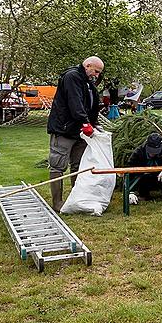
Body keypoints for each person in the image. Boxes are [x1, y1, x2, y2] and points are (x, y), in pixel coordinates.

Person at [47, 57, 103, 212]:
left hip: (80, 131)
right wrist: (85, 122)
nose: (97, 75)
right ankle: (57, 202)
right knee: (58, 164)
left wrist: (93, 123)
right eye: (96, 71)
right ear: (87, 65)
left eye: (99, 72)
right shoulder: (72, 77)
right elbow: (75, 102)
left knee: (78, 165)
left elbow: (91, 104)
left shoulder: (88, 81)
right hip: (64, 129)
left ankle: (76, 197)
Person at [127, 133, 162, 203]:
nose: (153, 153)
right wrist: (130, 192)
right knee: (141, 176)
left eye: (156, 150)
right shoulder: (139, 152)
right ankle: (143, 194)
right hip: (146, 177)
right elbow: (130, 170)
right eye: (151, 150)